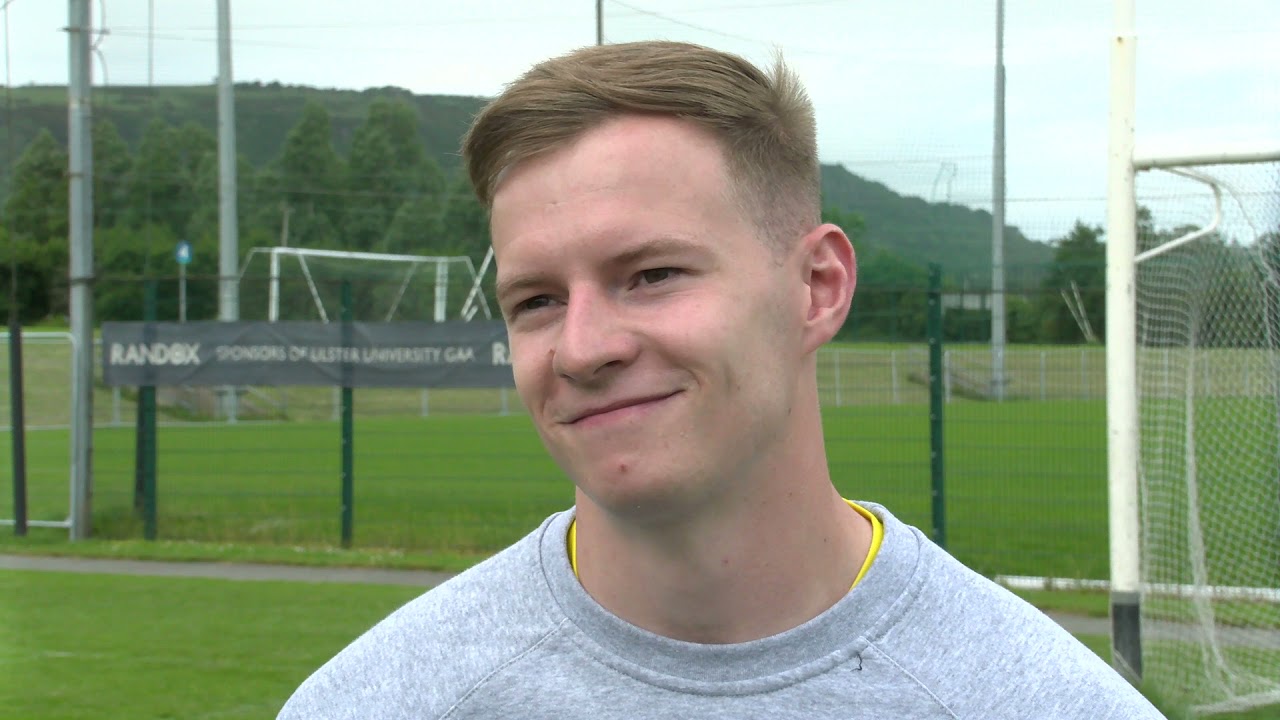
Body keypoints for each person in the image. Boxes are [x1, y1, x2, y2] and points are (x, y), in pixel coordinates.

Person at [277, 41, 1164, 719]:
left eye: (652, 274)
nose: (582, 348)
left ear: (816, 288)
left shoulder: (1036, 701)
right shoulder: (381, 701)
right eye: (537, 300)